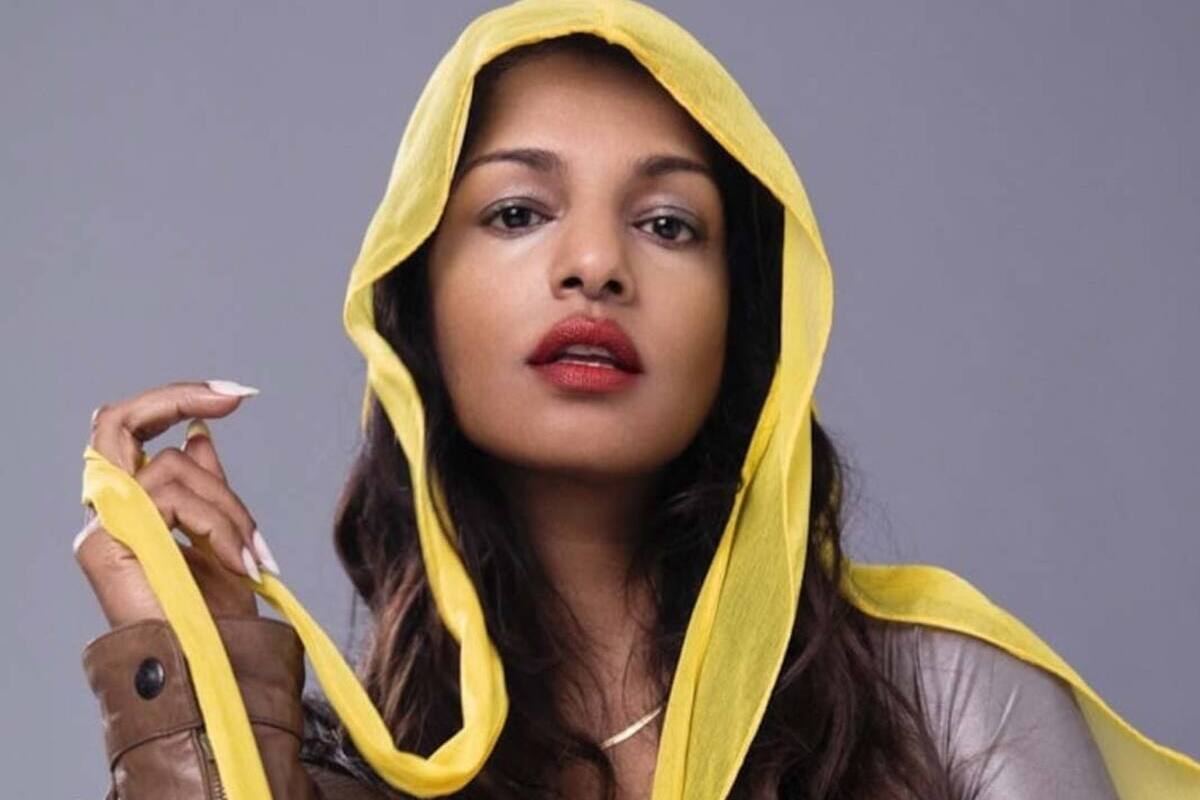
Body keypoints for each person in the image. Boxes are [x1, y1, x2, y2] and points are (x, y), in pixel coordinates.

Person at [73, 2, 1198, 799]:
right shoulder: (342, 781)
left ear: (743, 325)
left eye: (668, 224)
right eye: (519, 213)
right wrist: (192, 673)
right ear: (414, 313)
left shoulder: (950, 701)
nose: (596, 266)